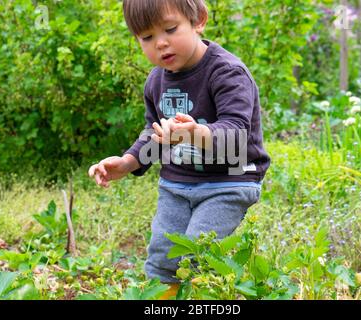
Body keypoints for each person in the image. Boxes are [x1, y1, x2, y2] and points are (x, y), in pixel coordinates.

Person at [88, 0, 271, 299]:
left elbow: (238, 133)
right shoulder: (156, 81)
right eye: (146, 37)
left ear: (198, 20)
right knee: (162, 255)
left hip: (229, 182)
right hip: (176, 184)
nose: (160, 43)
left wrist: (197, 133)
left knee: (197, 250)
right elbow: (154, 135)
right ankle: (163, 300)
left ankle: (207, 297)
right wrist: (128, 162)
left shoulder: (227, 72)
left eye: (171, 29)